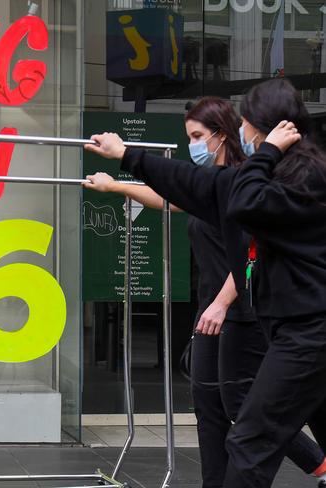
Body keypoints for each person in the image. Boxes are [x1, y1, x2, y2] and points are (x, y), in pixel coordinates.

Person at [83, 81, 326, 488]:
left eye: (247, 126)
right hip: (291, 327)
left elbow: (242, 201)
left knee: (251, 437)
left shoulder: (302, 180)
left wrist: (265, 152)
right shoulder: (256, 179)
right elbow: (189, 185)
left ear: (262, 131)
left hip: (309, 331)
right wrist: (125, 156)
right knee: (238, 418)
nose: (245, 134)